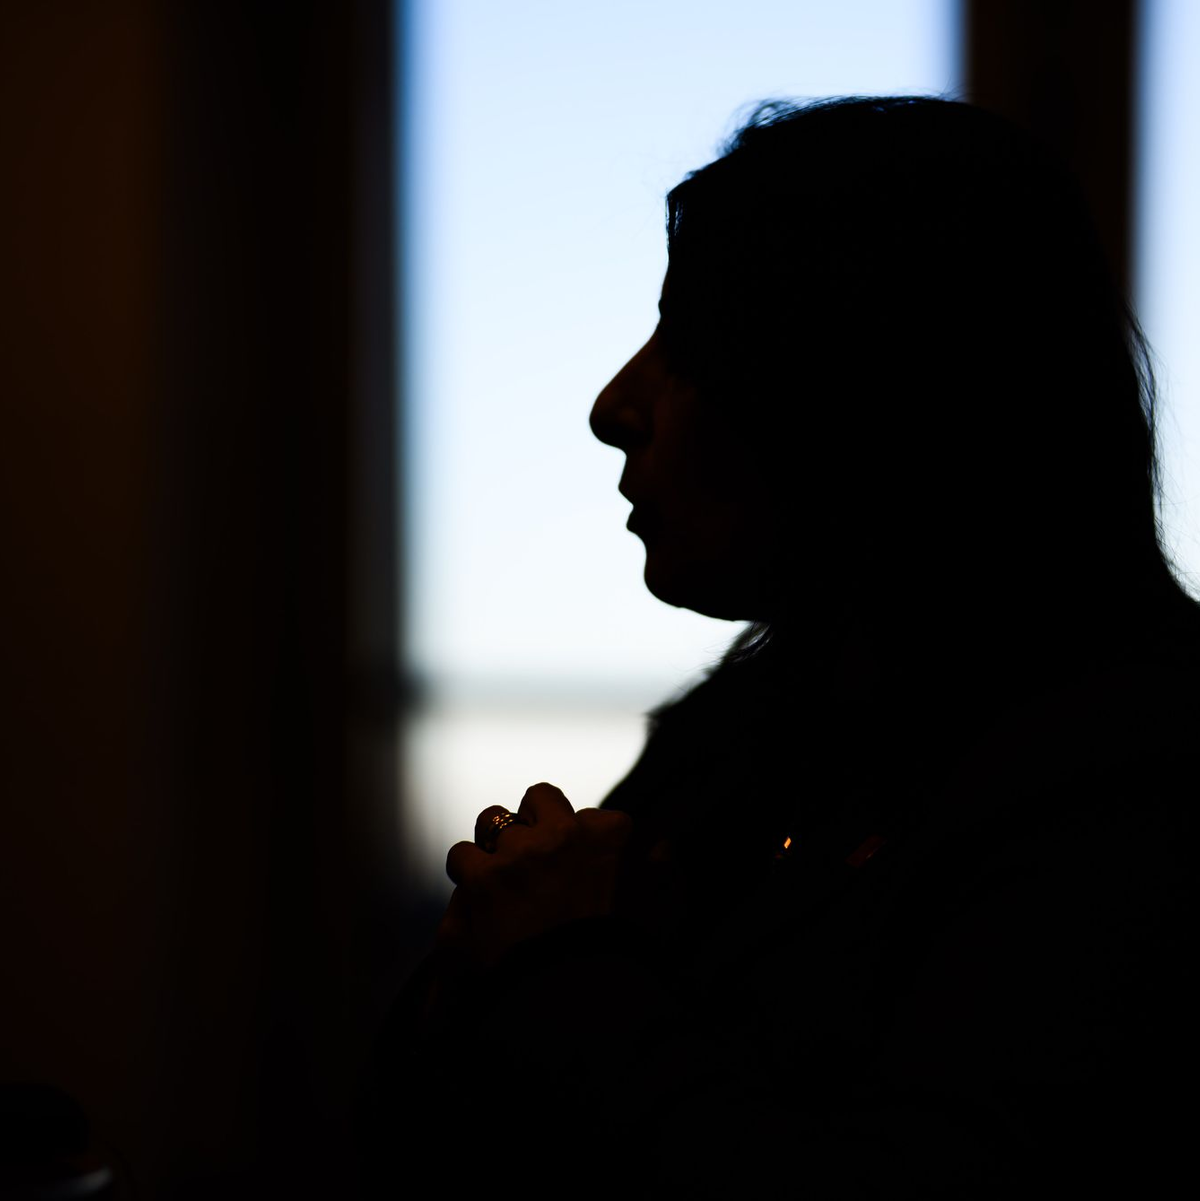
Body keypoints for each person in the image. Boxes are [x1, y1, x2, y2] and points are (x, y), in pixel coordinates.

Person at [358, 97, 1199, 1196]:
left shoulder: (1135, 784)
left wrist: (563, 968)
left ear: (874, 388)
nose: (615, 404)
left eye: (694, 342)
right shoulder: (749, 730)